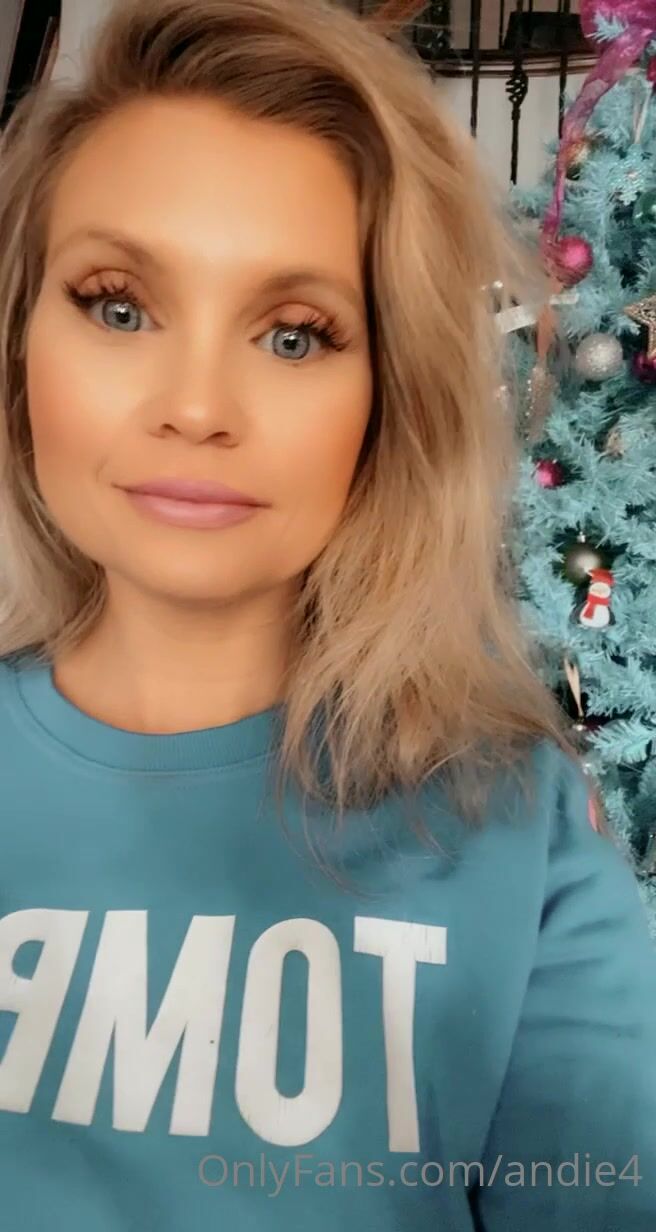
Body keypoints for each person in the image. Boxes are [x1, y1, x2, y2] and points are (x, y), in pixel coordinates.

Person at [0, 0, 654, 1228]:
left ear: (387, 394)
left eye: (294, 335)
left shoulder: (517, 832)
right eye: (118, 305)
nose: (197, 406)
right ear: (17, 342)